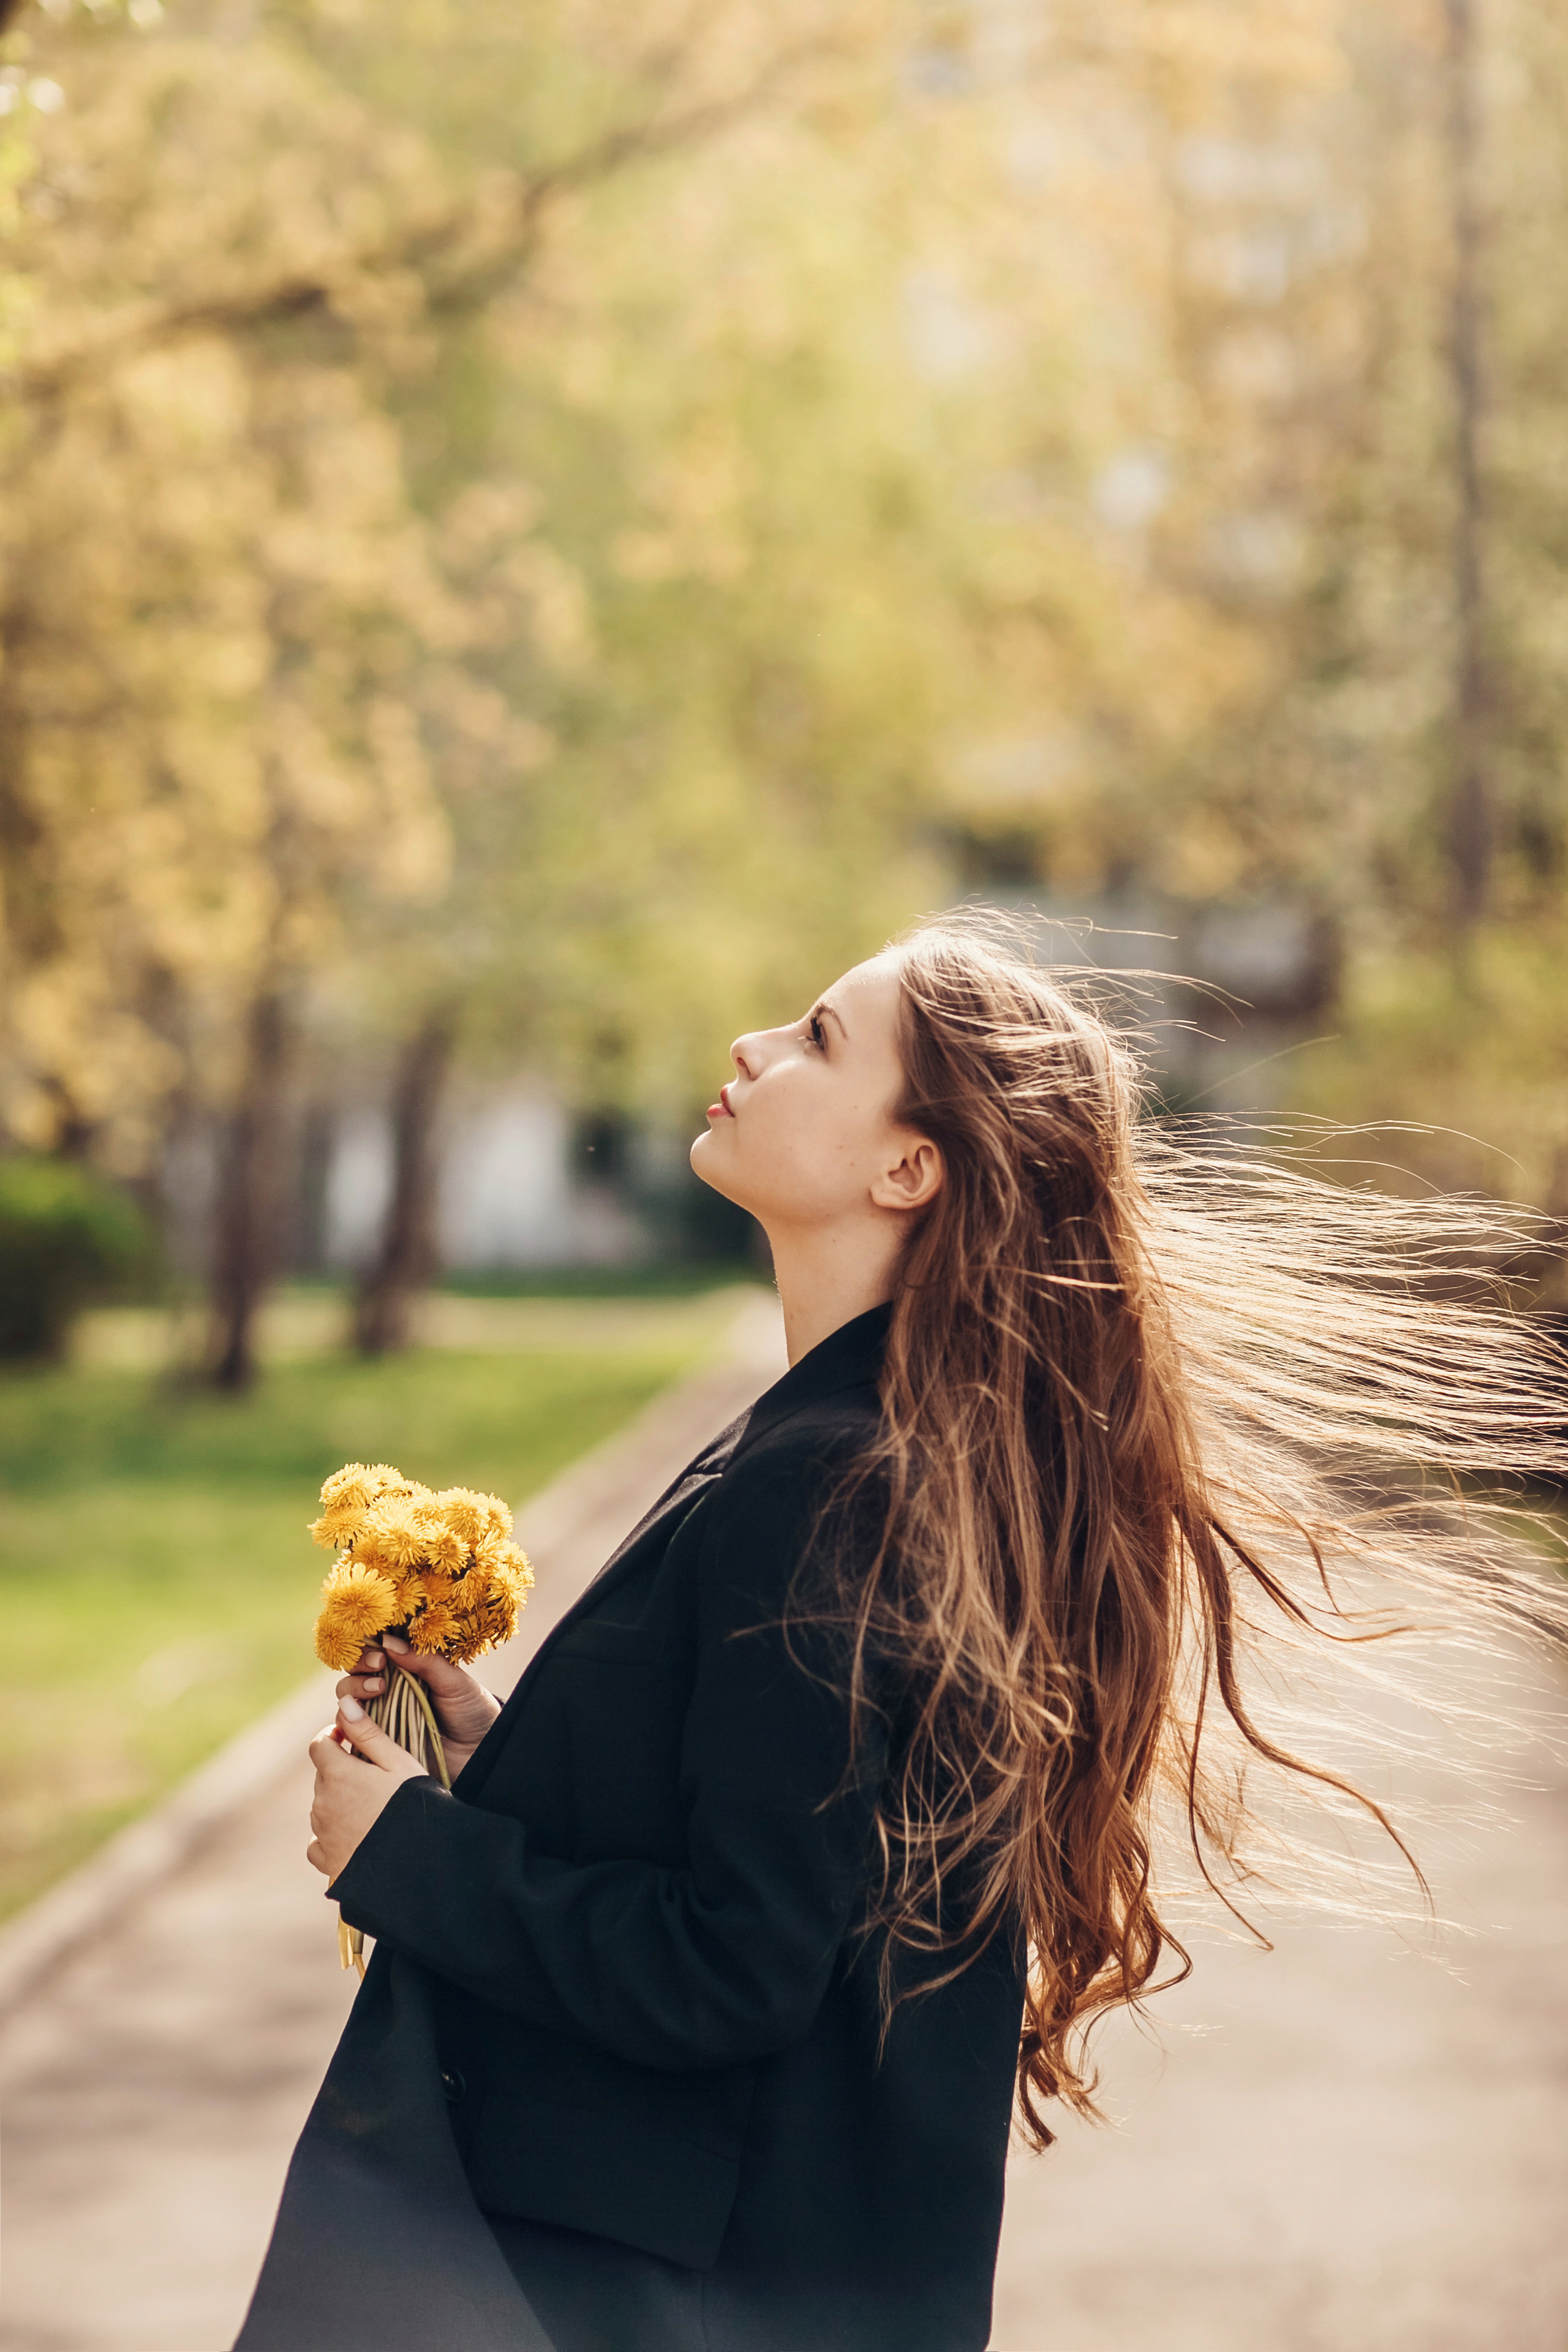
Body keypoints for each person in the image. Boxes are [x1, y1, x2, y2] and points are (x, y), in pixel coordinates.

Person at [235, 919, 1567, 2352]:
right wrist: (516, 1756)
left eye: (815, 1038)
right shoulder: (873, 1448)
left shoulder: (830, 1476)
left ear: (907, 1167)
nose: (749, 1048)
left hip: (627, 2293)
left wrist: (409, 1857)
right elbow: (795, 1854)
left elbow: (732, 1968)